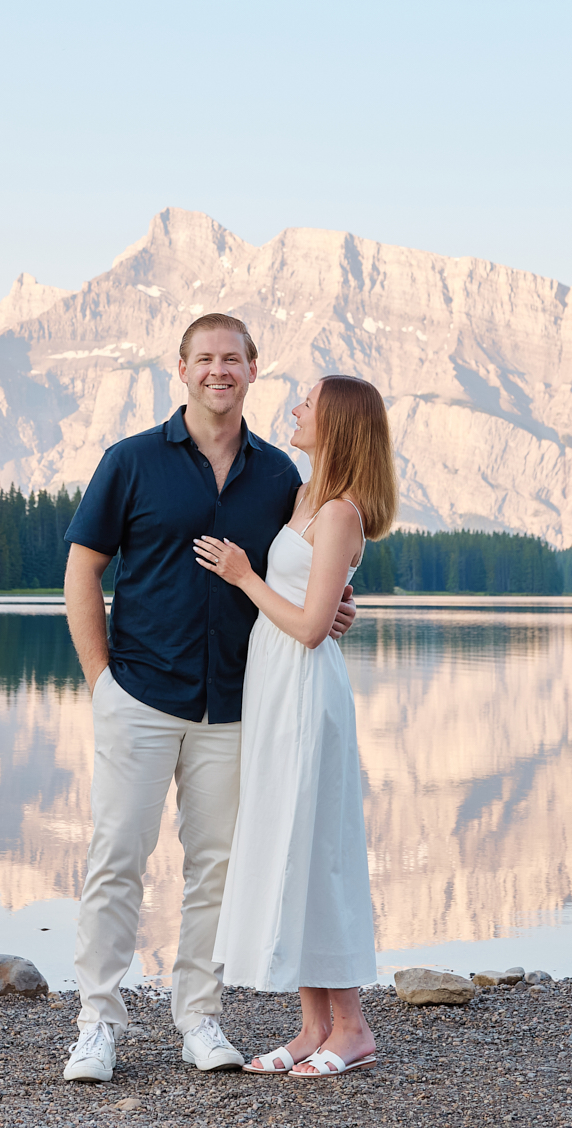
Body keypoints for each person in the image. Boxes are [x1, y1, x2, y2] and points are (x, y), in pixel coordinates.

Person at [59, 314, 357, 1085]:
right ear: (181, 368)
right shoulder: (129, 461)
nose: (218, 370)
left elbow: (306, 572)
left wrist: (339, 606)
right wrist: (102, 681)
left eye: (233, 358)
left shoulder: (280, 478)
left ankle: (198, 1015)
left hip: (235, 706)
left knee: (215, 869)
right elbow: (81, 572)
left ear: (253, 369)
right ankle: (97, 1022)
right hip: (140, 693)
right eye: (205, 358)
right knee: (115, 859)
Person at [197, 374, 393, 1078]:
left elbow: (312, 627)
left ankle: (354, 1027)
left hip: (307, 693)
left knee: (317, 853)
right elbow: (321, 603)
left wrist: (246, 578)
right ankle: (313, 1026)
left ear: (336, 424)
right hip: (277, 690)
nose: (295, 408)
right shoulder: (305, 494)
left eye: (307, 401)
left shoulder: (341, 510)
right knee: (290, 844)